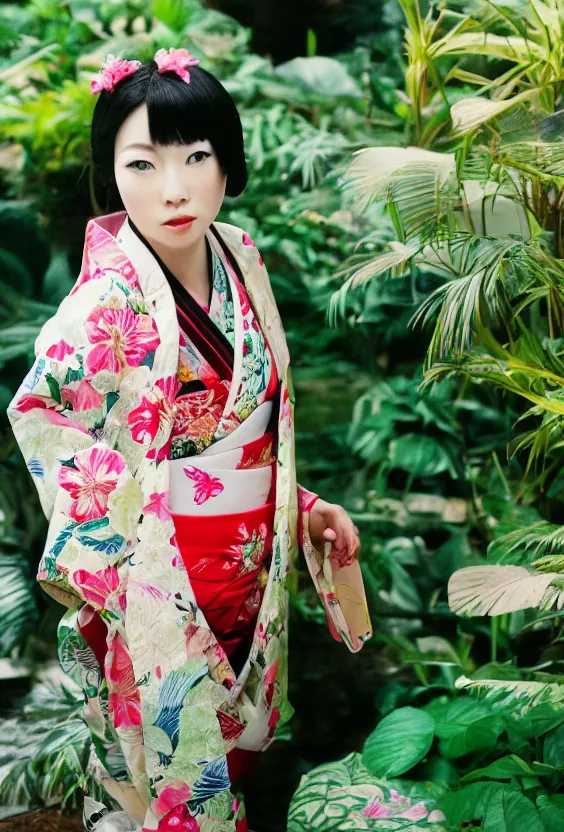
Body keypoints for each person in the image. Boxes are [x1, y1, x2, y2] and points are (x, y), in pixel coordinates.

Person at [7, 48, 371, 832]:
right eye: (142, 164)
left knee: (231, 747)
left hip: (248, 565)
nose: (172, 189)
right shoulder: (107, 297)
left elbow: (255, 422)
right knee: (180, 768)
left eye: (196, 157)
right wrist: (124, 534)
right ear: (112, 174)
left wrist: (300, 505)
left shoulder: (242, 256)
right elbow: (43, 413)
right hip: (158, 573)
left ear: (226, 161)